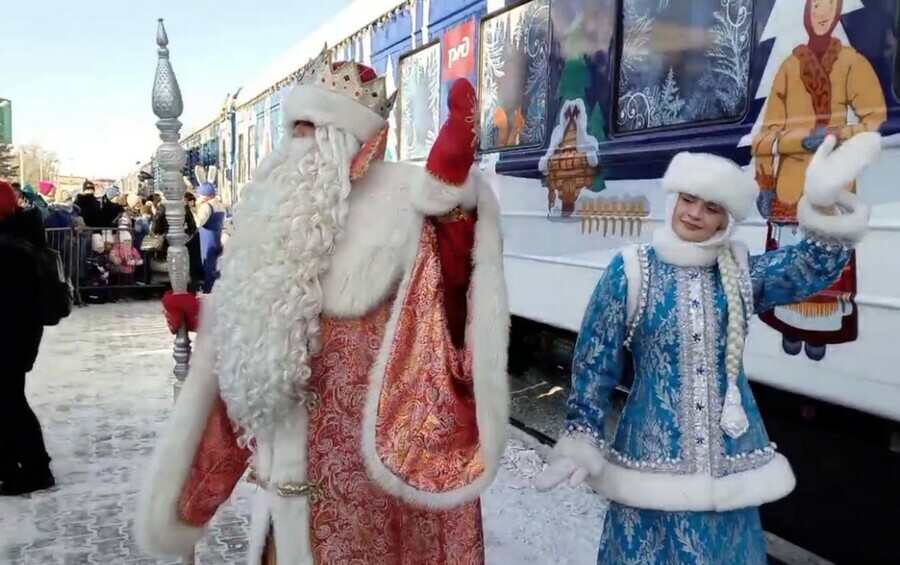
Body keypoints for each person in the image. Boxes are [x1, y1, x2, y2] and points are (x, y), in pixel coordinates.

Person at [136, 49, 509, 565]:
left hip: (371, 505)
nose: (299, 144)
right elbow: (266, 324)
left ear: (354, 144)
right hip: (285, 498)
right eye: (296, 127)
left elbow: (450, 297)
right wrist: (210, 313)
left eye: (316, 128)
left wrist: (451, 202)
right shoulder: (274, 217)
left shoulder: (398, 210)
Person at [535, 133, 880, 564]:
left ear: (725, 221)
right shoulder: (630, 270)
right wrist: (582, 433)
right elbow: (594, 360)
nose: (695, 214)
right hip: (650, 462)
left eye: (711, 207)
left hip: (729, 464)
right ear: (674, 200)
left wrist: (826, 205)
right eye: (689, 200)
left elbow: (807, 269)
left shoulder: (738, 274)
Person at [0, 180, 55, 495]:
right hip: (15, 336)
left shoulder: (10, 248)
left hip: (10, 338)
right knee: (7, 402)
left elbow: (13, 303)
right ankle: (10, 464)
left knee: (10, 403)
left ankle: (36, 468)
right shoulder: (19, 238)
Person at [192, 166, 225, 293]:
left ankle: (209, 289)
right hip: (217, 236)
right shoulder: (218, 204)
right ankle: (216, 287)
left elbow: (199, 222)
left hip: (207, 239)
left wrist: (192, 213)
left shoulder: (206, 206)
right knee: (215, 264)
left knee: (208, 263)